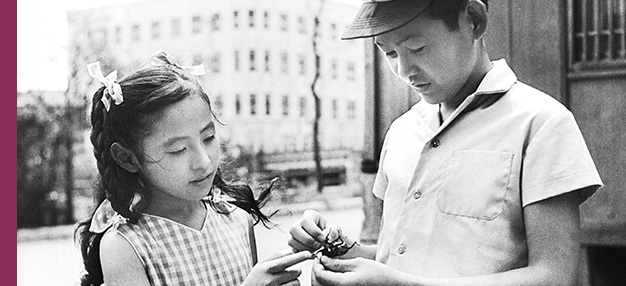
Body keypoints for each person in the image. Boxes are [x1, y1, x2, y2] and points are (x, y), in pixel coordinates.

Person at [288, 0, 603, 285]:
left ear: (474, 20)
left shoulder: (541, 124)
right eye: (389, 52)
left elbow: (554, 277)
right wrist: (344, 252)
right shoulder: (401, 131)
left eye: (417, 47)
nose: (403, 70)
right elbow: (397, 256)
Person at [75, 51, 310, 286]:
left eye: (208, 138)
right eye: (178, 150)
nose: (204, 161)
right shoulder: (125, 246)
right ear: (127, 158)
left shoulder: (237, 219)